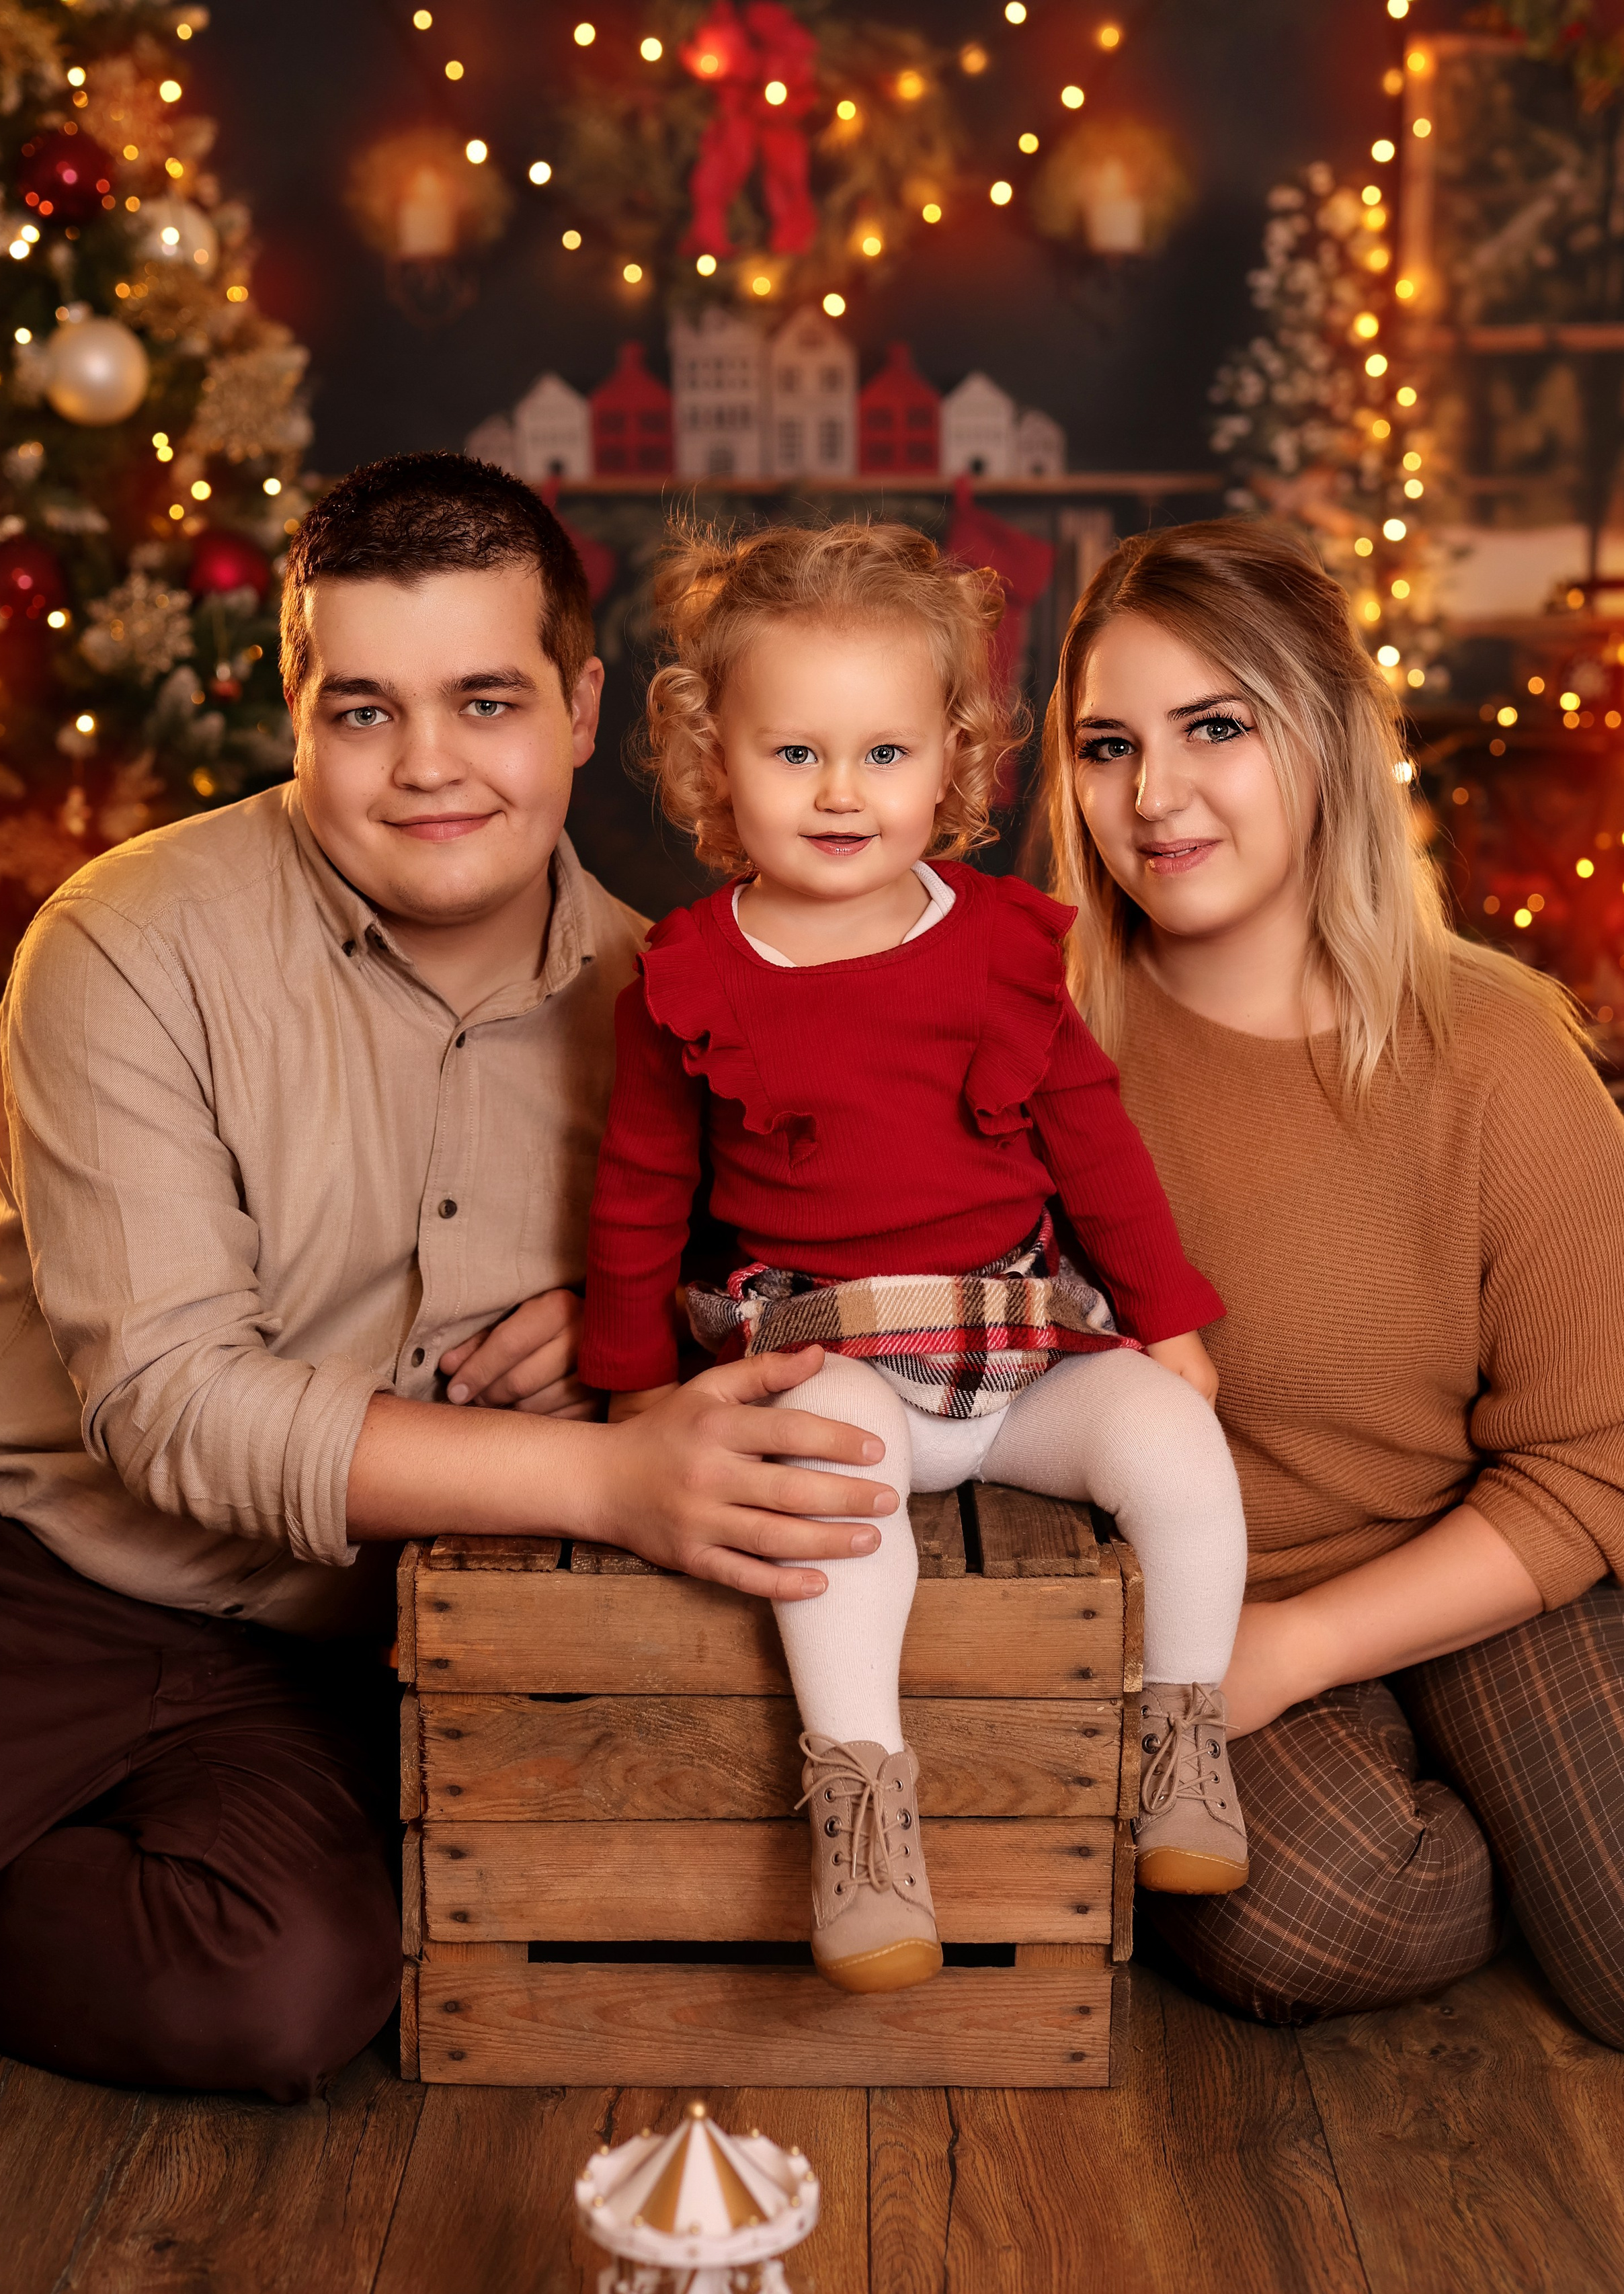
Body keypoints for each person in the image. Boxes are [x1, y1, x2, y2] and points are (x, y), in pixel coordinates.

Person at [0, 454, 901, 2100]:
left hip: (324, 1651)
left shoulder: (691, 1004)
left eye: (485, 700)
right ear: (292, 711)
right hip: (13, 1566)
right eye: (362, 709)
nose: (426, 766)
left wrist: (642, 1317)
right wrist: (605, 1474)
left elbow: (836, 1284)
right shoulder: (127, 944)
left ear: (581, 712)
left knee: (285, 1994)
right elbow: (169, 1409)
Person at [580, 521, 1250, 2000]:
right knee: (824, 1501)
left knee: (1180, 1449)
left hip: (1015, 1351)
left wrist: (1167, 1319)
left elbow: (1093, 1147)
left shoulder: (1003, 947)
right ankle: (865, 1816)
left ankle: (1179, 1742)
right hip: (833, 1358)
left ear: (949, 766)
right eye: (792, 754)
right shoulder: (691, 973)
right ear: (712, 761)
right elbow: (637, 1191)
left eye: (883, 755)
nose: (838, 793)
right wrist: (628, 1380)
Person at [1048, 518, 1624, 2037]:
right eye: (1107, 744)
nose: (1153, 795)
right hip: (1187, 1618)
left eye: (1213, 728)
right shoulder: (1026, 1042)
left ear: (1323, 740)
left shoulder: (1495, 1050)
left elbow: (1586, 1464)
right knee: (1334, 1913)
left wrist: (1310, 1647)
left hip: (1480, 1568)